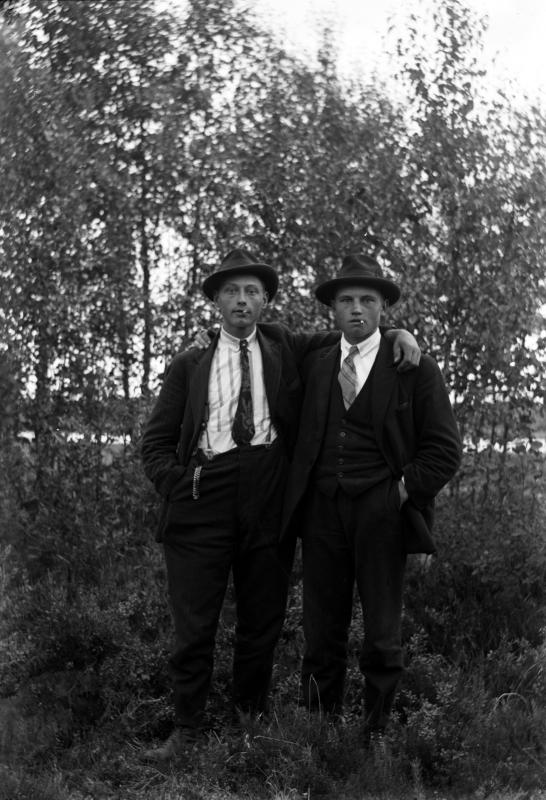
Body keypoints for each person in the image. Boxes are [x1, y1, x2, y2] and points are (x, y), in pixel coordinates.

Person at [140, 248, 420, 759]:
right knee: (194, 625)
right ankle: (187, 730)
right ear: (216, 300)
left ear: (265, 300)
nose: (241, 300)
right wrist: (178, 484)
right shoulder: (189, 364)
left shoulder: (285, 346)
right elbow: (155, 442)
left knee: (261, 623)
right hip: (203, 494)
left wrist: (402, 333)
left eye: (251, 291)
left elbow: (355, 336)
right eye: (231, 291)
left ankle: (245, 724)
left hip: (267, 494)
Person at [282, 253, 462, 739]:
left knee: (382, 631)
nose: (356, 309)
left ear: (384, 308)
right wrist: (209, 336)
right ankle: (320, 732)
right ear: (333, 309)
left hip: (381, 512)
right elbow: (263, 338)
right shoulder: (316, 360)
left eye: (367, 300)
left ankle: (374, 733)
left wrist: (399, 493)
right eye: (346, 300)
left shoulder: (413, 367)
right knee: (321, 628)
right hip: (321, 512)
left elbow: (445, 450)